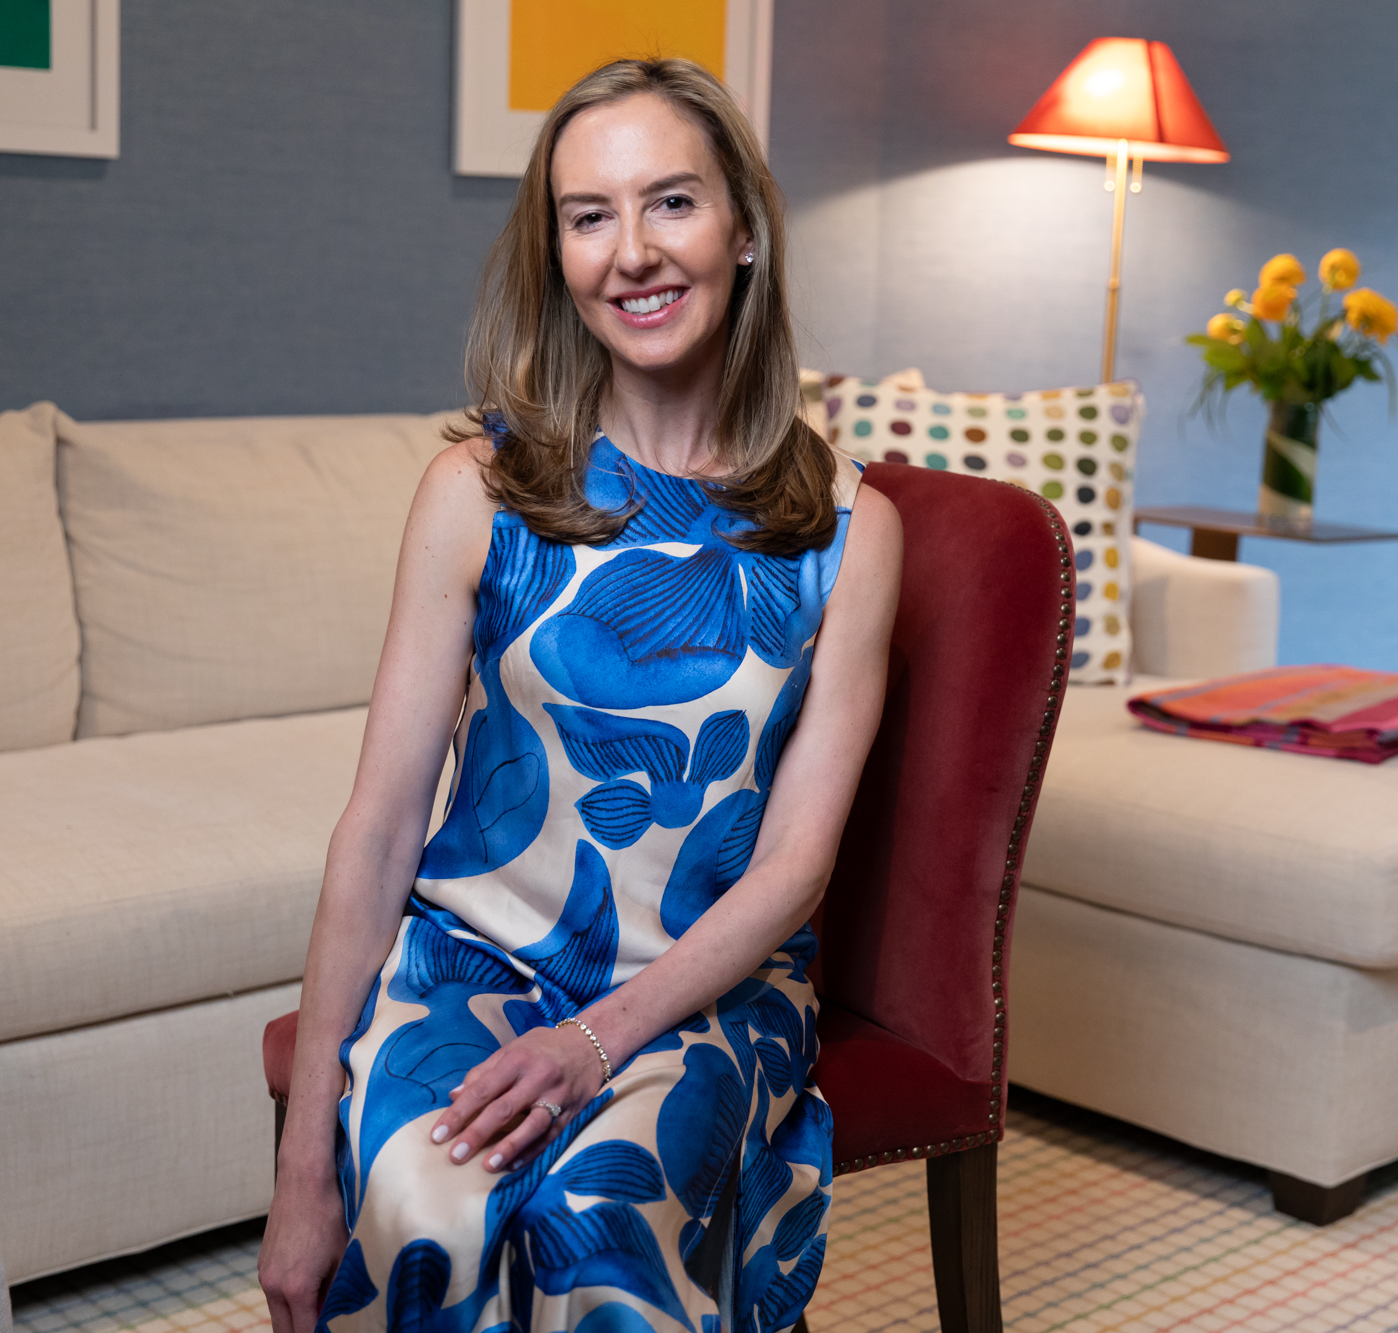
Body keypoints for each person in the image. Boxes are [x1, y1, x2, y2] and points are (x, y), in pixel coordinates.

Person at [258, 56, 902, 1333]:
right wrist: (299, 1170)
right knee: (425, 1204)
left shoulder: (848, 529)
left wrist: (598, 1039)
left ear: (744, 230)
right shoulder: (476, 492)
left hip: (702, 992)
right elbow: (379, 828)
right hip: (472, 961)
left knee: (596, 1233)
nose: (631, 252)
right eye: (588, 215)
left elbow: (794, 869)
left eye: (672, 202)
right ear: (554, 254)